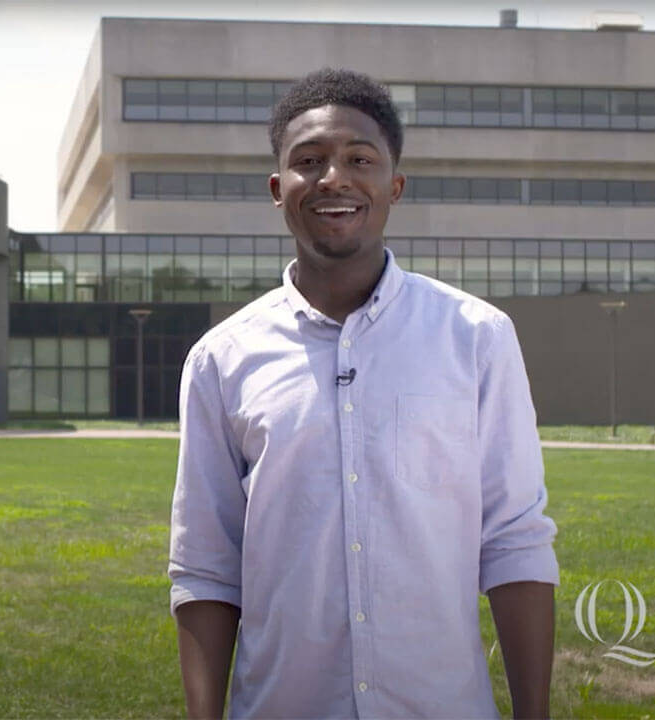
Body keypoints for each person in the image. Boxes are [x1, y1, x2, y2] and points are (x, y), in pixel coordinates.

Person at [168, 68, 559, 719]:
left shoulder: (477, 338)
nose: (333, 178)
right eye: (309, 161)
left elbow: (515, 542)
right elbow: (206, 566)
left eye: (359, 159)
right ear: (278, 188)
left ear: (393, 186)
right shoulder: (222, 359)